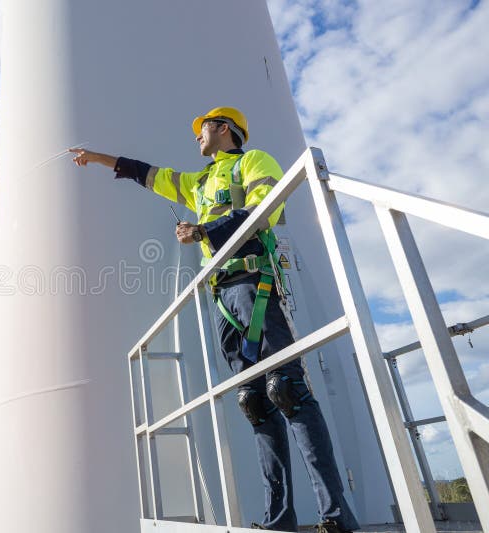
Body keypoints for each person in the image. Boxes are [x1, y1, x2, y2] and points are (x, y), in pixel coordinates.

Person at [69, 107, 359, 533]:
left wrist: (204, 232)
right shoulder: (198, 183)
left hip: (254, 283)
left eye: (200, 130)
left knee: (287, 389)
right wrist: (96, 158)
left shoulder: (252, 162)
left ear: (223, 128)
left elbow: (268, 210)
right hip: (221, 296)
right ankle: (279, 521)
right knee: (255, 403)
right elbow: (147, 174)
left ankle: (336, 518)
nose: (195, 138)